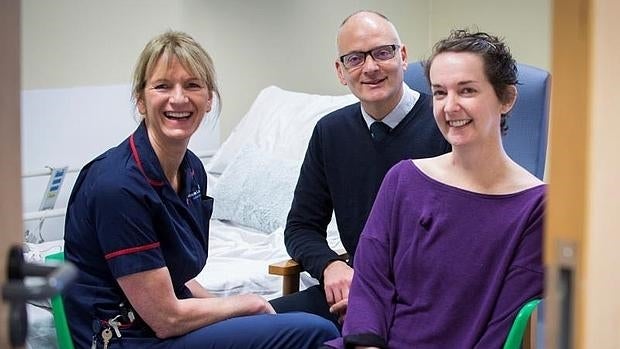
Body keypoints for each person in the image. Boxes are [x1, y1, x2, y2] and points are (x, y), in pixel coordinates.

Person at [63, 30, 338, 349]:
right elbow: (166, 319)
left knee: (313, 315)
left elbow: (174, 277)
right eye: (162, 86)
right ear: (141, 99)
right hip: (131, 339)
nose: (178, 98)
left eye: (192, 85)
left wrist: (235, 314)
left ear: (209, 99)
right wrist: (246, 304)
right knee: (315, 331)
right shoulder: (118, 186)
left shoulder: (192, 170)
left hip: (163, 325)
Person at [322, 29, 546, 349]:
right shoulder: (403, 180)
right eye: (439, 93)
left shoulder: (538, 207)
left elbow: (503, 328)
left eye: (466, 90)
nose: (449, 107)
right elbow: (371, 285)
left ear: (506, 98)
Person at [270, 10, 450, 327]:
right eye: (354, 58)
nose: (370, 67)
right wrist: (330, 266)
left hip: (424, 302)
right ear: (341, 71)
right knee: (253, 328)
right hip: (352, 292)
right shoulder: (330, 132)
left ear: (403, 56)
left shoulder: (444, 125)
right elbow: (300, 227)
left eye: (382, 52)